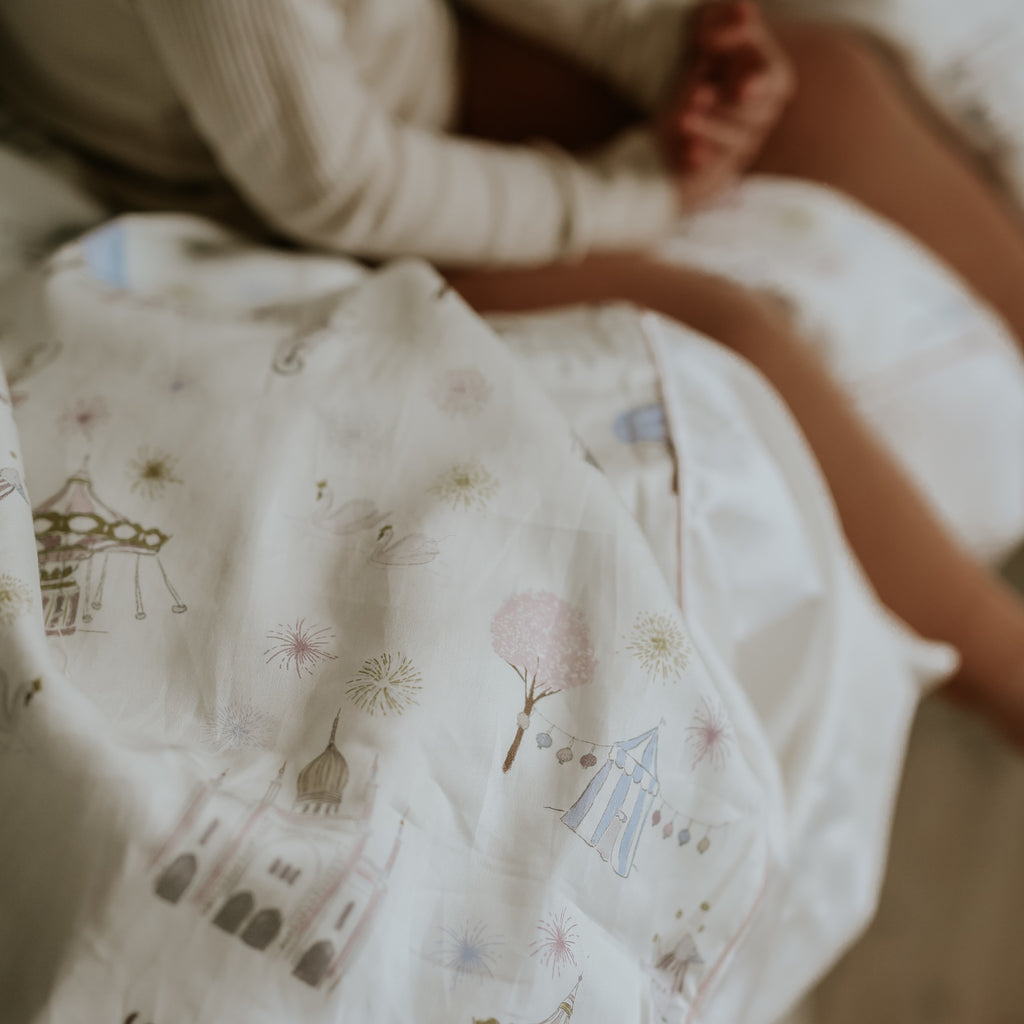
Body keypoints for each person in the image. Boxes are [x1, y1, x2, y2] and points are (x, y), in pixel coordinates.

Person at [3, 0, 1024, 739]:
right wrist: (633, 194)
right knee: (719, 332)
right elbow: (340, 187)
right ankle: (1003, 664)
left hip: (388, 59)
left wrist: (680, 49)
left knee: (827, 88)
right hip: (260, 193)